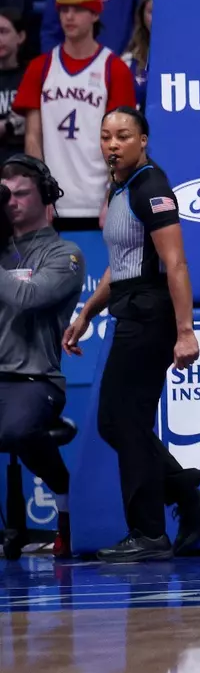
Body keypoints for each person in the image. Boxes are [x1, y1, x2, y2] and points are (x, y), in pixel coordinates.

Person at [63, 106, 200, 562]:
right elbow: (122, 263)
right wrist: (87, 312)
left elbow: (175, 262)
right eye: (106, 136)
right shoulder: (122, 188)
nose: (112, 144)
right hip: (129, 310)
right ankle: (191, 501)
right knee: (118, 423)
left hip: (151, 316)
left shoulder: (152, 186)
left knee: (122, 422)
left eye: (123, 136)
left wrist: (186, 331)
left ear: (143, 141)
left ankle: (150, 532)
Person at [0, 155, 83, 556]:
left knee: (15, 432)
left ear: (45, 198)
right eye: (5, 195)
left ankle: (64, 498)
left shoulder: (64, 254)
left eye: (21, 193)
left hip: (35, 378)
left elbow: (27, 297)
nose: (11, 201)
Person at [18, 0, 137, 224]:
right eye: (64, 9)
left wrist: (112, 194)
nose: (69, 16)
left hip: (99, 205)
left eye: (78, 9)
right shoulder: (40, 67)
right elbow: (32, 137)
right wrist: (41, 196)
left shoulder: (114, 68)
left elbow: (124, 140)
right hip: (53, 206)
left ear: (95, 14)